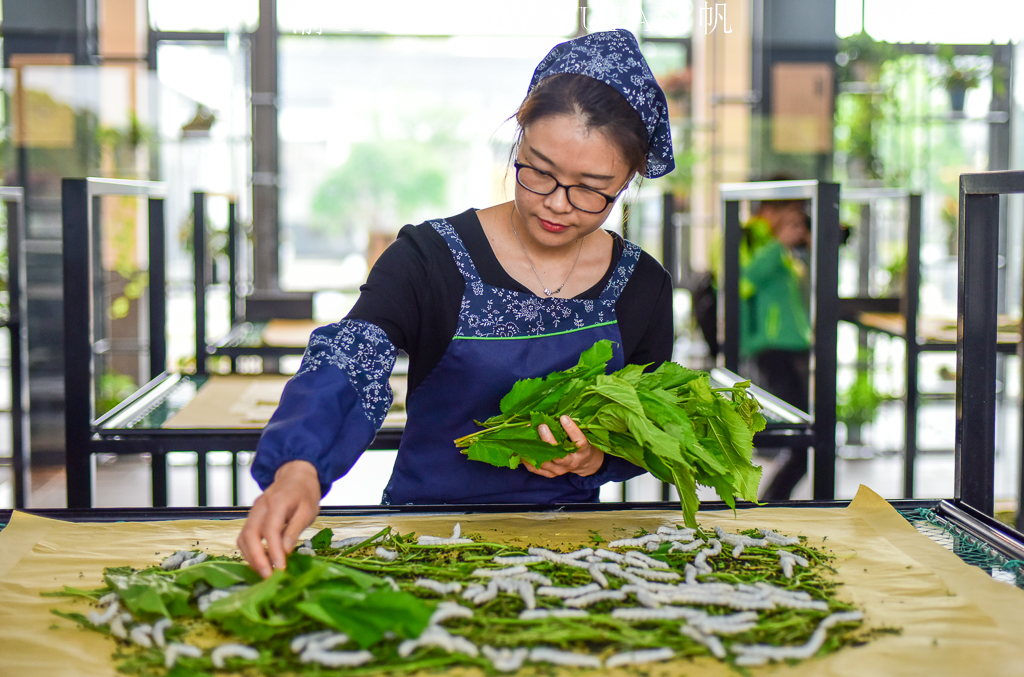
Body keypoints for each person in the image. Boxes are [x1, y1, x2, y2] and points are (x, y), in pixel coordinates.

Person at [238, 30, 677, 578]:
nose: (556, 205)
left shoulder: (643, 286)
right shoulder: (431, 257)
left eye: (591, 189)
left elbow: (648, 429)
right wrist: (301, 465)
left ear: (629, 180)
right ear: (518, 137)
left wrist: (598, 458)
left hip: (569, 553)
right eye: (538, 171)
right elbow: (354, 356)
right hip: (422, 543)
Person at [739, 198, 812, 500]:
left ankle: (768, 504)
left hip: (792, 344)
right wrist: (779, 242)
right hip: (772, 348)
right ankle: (766, 506)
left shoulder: (782, 248)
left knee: (801, 442)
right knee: (798, 443)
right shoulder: (754, 240)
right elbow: (743, 281)